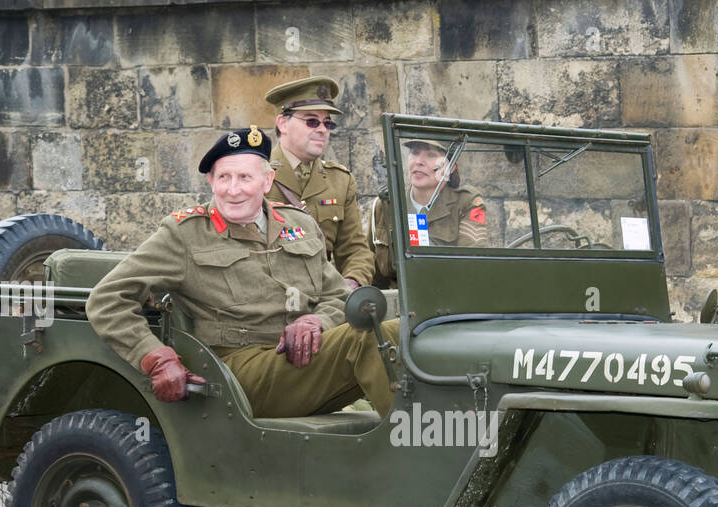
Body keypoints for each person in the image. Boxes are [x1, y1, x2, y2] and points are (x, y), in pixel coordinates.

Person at [87, 127, 397, 417]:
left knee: (401, 330)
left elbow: (339, 296)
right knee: (369, 339)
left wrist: (317, 321)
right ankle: (420, 446)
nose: (233, 190)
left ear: (267, 181)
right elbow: (107, 299)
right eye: (224, 177)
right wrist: (156, 358)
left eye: (245, 178)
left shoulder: (300, 227)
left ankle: (431, 441)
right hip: (234, 374)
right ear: (211, 181)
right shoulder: (184, 234)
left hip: (301, 361)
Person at [264, 76, 373, 291]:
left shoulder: (340, 180)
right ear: (283, 123)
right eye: (312, 121)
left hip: (324, 299)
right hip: (269, 299)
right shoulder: (255, 173)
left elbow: (354, 250)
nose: (322, 129)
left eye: (327, 123)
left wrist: (351, 283)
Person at [369, 137, 487, 288]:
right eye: (415, 152)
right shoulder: (386, 205)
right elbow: (373, 273)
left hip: (449, 297)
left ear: (451, 167)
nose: (419, 161)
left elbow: (474, 264)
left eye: (431, 155)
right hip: (398, 300)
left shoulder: (465, 202)